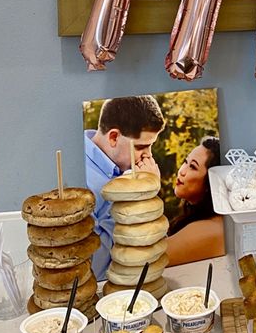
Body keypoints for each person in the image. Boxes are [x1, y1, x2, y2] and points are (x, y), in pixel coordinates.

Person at [84, 95, 165, 279]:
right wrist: (141, 196)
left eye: (150, 147)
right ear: (113, 137)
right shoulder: (86, 182)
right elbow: (94, 267)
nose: (148, 157)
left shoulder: (120, 167)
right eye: (141, 147)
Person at [166, 137, 225, 267]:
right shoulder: (199, 218)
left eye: (193, 167)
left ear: (210, 183)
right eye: (185, 162)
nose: (182, 171)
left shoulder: (212, 228)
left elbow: (147, 260)